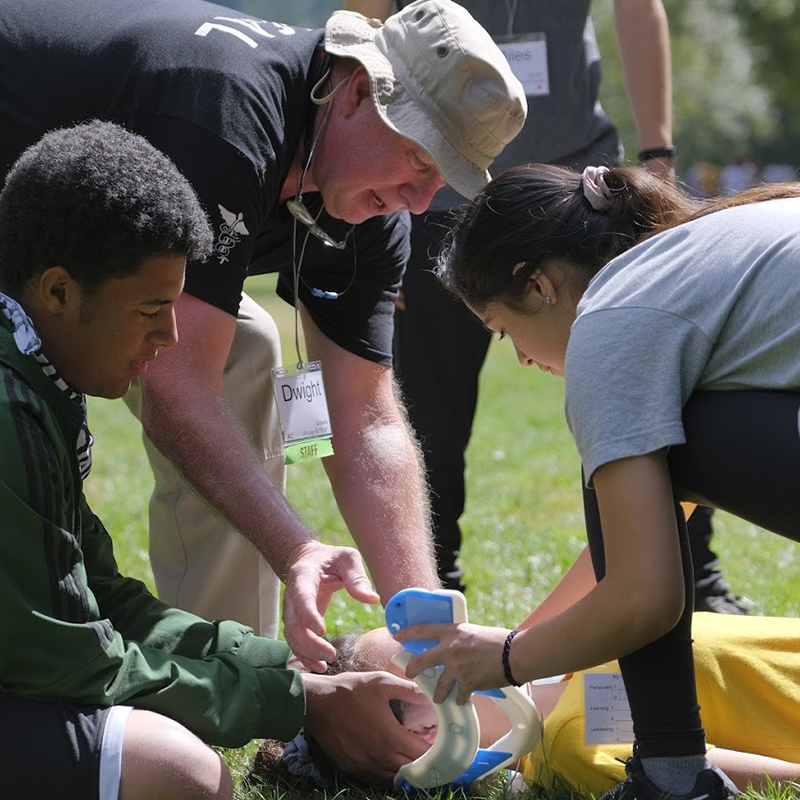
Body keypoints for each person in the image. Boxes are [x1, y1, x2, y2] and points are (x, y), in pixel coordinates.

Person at [0, 0, 527, 665]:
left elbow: (365, 419)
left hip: (60, 251)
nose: (420, 200)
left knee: (244, 354)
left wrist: (425, 626)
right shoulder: (228, 110)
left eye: (441, 178)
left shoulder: (370, 206)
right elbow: (175, 387)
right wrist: (298, 550)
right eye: (419, 158)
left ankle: (227, 674)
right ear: (357, 90)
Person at [0, 120, 437, 800]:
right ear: (57, 291)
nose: (171, 336)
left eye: (175, 306)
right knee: (179, 773)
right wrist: (298, 702)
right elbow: (69, 665)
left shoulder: (38, 373)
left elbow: (101, 598)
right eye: (150, 308)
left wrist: (287, 670)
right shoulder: (9, 410)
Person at [391, 164, 800, 800]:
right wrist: (516, 661)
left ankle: (670, 776)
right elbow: (650, 532)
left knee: (650, 455)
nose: (523, 359)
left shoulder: (610, 318)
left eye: (504, 331)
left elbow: (644, 595)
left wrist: (507, 659)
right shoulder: (705, 245)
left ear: (542, 285)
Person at [345, 0, 742, 617]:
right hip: (430, 187)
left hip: (577, 187)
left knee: (649, 382)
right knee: (428, 403)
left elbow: (640, 11)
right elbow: (367, 26)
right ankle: (432, 584)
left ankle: (696, 575)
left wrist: (657, 149)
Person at [266, 613, 800, 796]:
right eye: (422, 663)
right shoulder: (570, 746)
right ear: (426, 742)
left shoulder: (577, 642)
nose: (447, 641)